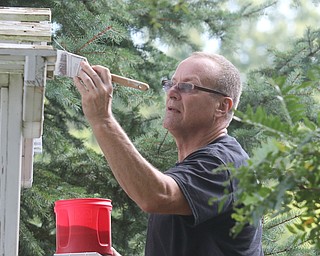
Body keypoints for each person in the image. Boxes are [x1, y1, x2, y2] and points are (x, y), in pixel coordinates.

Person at [74, 52, 264, 256]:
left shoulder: (224, 164)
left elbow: (156, 195)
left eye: (187, 86)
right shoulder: (191, 169)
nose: (172, 92)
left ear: (221, 106)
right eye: (170, 83)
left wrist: (102, 119)